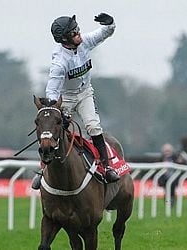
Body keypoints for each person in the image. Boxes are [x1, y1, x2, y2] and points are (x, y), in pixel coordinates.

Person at [32, 13, 119, 190]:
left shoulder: (85, 41)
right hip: (66, 98)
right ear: (64, 38)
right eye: (74, 32)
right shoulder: (59, 62)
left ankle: (107, 167)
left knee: (93, 127)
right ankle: (43, 169)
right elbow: (52, 90)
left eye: (77, 29)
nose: (79, 33)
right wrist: (56, 111)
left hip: (85, 93)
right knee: (53, 130)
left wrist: (109, 23)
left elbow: (104, 33)